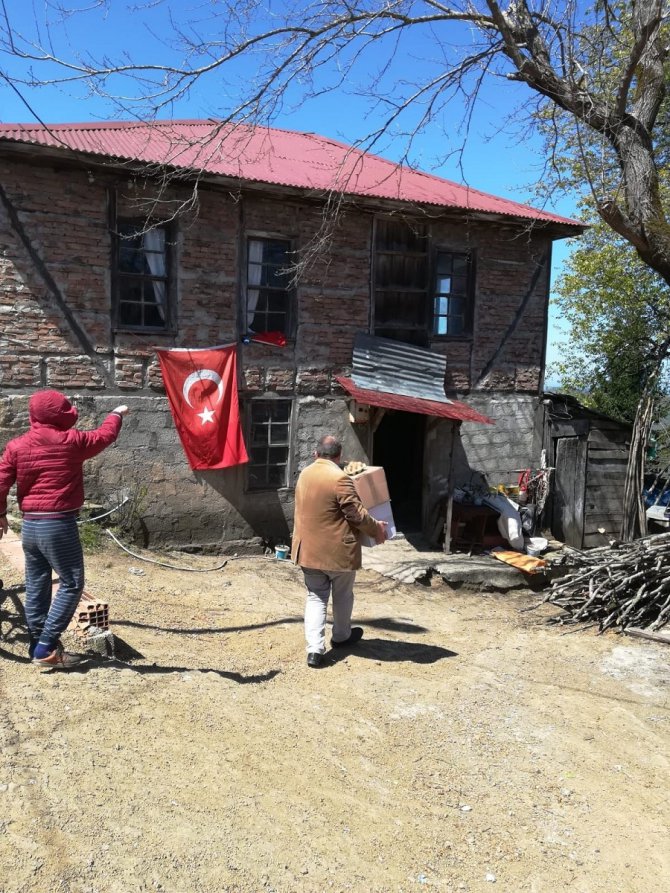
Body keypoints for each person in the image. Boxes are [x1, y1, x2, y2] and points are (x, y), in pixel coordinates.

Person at [0, 390, 129, 669]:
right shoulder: (72, 442)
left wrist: (0, 513)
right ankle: (46, 646)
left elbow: (1, 480)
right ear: (61, 414)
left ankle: (37, 646)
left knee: (37, 584)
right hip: (58, 524)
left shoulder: (16, 446)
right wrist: (116, 415)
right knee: (71, 583)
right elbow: (104, 436)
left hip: (31, 526)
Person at [291, 435, 388, 668]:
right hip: (337, 553)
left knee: (316, 596)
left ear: (316, 454)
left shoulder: (304, 474)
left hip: (307, 551)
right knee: (343, 595)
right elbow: (356, 515)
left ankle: (314, 650)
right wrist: (377, 529)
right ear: (339, 456)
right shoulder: (340, 478)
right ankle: (342, 636)